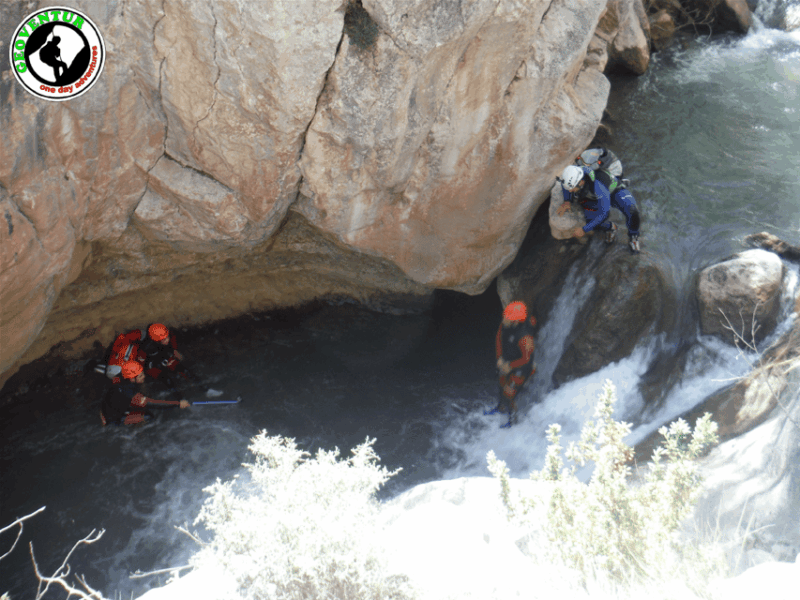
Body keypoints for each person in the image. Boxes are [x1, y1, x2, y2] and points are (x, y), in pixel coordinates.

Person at [556, 161, 641, 253]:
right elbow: (565, 185)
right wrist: (567, 201)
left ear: (581, 182)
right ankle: (611, 228)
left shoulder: (597, 186)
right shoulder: (573, 175)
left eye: (572, 189)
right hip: (593, 198)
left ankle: (633, 236)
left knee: (632, 211)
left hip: (614, 193)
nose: (571, 191)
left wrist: (584, 230)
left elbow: (603, 213)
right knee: (591, 222)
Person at [485, 301, 537, 428]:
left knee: (509, 392)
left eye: (506, 317)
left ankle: (513, 421)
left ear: (515, 321)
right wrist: (500, 358)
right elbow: (499, 338)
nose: (503, 319)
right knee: (502, 383)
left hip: (522, 366)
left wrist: (510, 366)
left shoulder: (525, 338)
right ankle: (501, 408)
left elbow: (527, 359)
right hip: (509, 358)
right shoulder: (506, 324)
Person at [105, 323, 190, 399]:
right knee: (165, 378)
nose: (167, 339)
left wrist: (174, 350)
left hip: (127, 363)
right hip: (144, 363)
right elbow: (143, 363)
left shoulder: (146, 339)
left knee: (179, 370)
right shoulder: (142, 347)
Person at [99, 360, 190, 427]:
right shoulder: (130, 393)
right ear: (132, 378)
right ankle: (123, 427)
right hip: (112, 416)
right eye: (141, 375)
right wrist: (178, 404)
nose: (144, 376)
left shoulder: (120, 377)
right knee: (148, 416)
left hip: (110, 404)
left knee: (142, 393)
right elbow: (153, 404)